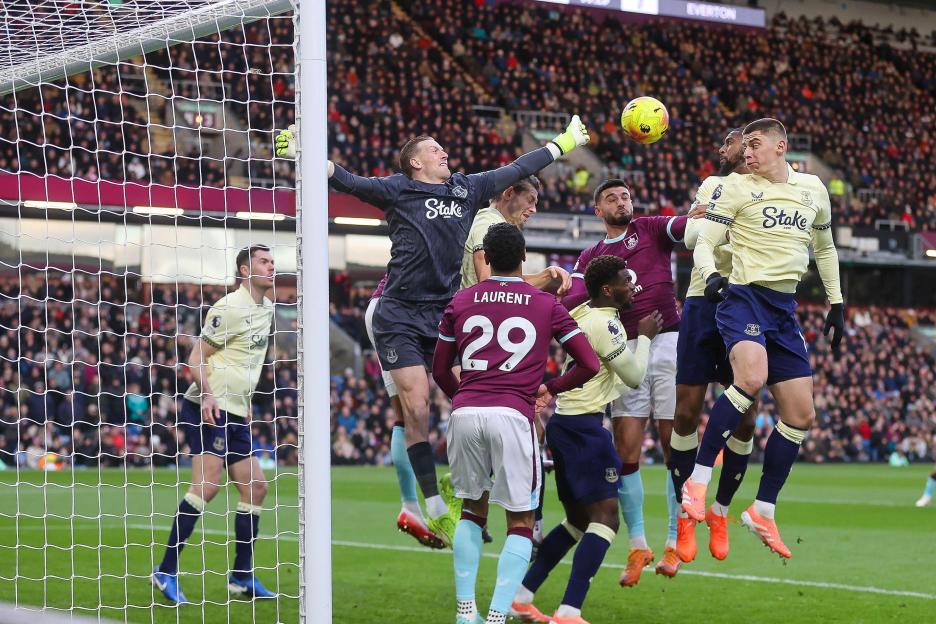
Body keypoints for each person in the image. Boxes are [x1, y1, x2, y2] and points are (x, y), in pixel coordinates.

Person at [277, 117, 591, 545]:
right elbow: (346, 180)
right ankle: (434, 506)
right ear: (415, 162)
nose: (444, 151)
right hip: (398, 312)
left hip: (443, 315)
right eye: (434, 148)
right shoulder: (398, 189)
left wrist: (564, 143)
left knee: (470, 398)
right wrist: (305, 155)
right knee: (417, 406)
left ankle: (448, 498)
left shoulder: (467, 188)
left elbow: (518, 168)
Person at [685, 118, 845, 559]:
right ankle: (697, 481)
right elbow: (704, 242)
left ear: (781, 146)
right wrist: (711, 276)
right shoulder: (735, 187)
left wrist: (836, 302)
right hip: (744, 298)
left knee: (801, 415)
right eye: (746, 145)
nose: (747, 152)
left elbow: (825, 248)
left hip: (783, 309)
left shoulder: (813, 189)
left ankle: (763, 509)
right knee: (751, 380)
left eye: (755, 144)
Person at [432, 223, 600, 624]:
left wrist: (467, 398)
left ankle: (465, 611)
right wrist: (550, 388)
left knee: (472, 511)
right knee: (521, 520)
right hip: (513, 414)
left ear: (486, 258)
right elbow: (589, 363)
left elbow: (439, 369)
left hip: (466, 413)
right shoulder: (545, 303)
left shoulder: (461, 300)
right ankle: (496, 616)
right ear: (524, 257)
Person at [512, 255, 661, 624]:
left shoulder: (584, 312)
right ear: (608, 289)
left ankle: (521, 596)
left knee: (578, 521)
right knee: (607, 519)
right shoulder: (604, 324)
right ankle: (569, 610)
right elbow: (634, 378)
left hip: (566, 424)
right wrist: (644, 337)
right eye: (626, 281)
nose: (633, 286)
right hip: (584, 428)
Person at [561, 180, 689, 583]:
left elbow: (685, 226)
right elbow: (572, 300)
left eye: (626, 196)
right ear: (597, 210)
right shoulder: (591, 256)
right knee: (626, 449)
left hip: (668, 341)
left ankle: (675, 541)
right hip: (622, 348)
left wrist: (703, 214)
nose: (621, 201)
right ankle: (638, 545)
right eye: (612, 198)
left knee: (673, 445)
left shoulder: (650, 228)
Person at [152, 245, 278, 604]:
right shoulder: (228, 307)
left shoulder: (268, 309)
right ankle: (165, 571)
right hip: (209, 407)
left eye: (273, 262)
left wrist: (245, 401)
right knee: (206, 487)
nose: (272, 267)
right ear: (245, 270)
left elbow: (246, 361)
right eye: (264, 262)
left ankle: (241, 577)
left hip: (236, 410)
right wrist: (208, 395)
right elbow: (196, 357)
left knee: (256, 487)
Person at [669, 129, 757, 563]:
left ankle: (720, 510)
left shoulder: (772, 189)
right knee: (685, 412)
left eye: (730, 142)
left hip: (748, 299)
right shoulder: (712, 185)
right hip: (703, 299)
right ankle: (687, 514)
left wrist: (718, 222)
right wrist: (731, 226)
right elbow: (691, 239)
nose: (723, 149)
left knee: (747, 417)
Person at [364, 274, 445, 549]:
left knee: (407, 413)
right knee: (417, 407)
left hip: (391, 306)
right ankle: (450, 504)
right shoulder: (470, 247)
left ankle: (410, 505)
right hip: (404, 308)